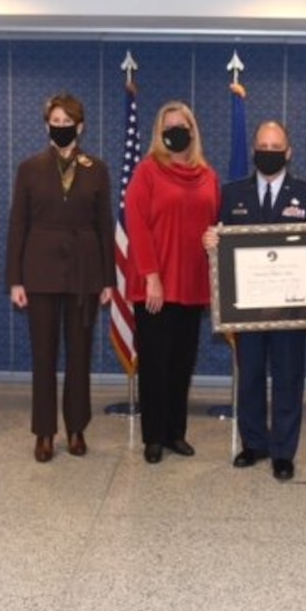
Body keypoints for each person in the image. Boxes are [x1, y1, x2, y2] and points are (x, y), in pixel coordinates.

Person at [203, 121, 306, 482]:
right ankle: (254, 443)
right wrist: (212, 240)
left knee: (288, 378)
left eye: (276, 146)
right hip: (248, 308)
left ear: (288, 152)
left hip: (290, 308)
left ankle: (284, 452)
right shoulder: (232, 193)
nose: (268, 152)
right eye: (262, 146)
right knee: (251, 376)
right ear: (254, 150)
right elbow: (223, 247)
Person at [6, 93, 115, 463]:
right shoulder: (29, 168)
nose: (62, 129)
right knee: (44, 357)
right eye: (56, 122)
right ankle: (44, 433)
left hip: (85, 275)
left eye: (69, 124)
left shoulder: (97, 169)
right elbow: (18, 225)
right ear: (46, 125)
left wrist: (108, 281)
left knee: (80, 355)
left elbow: (105, 227)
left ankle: (76, 428)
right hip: (40, 273)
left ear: (80, 127)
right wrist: (15, 280)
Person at [125, 100, 220, 464]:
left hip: (192, 283)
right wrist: (152, 277)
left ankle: (175, 433)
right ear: (159, 133)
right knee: (155, 363)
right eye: (169, 127)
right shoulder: (147, 172)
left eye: (182, 125)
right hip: (155, 285)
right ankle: (153, 436)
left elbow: (215, 225)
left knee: (182, 363)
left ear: (192, 131)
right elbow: (137, 227)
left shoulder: (208, 176)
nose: (175, 132)